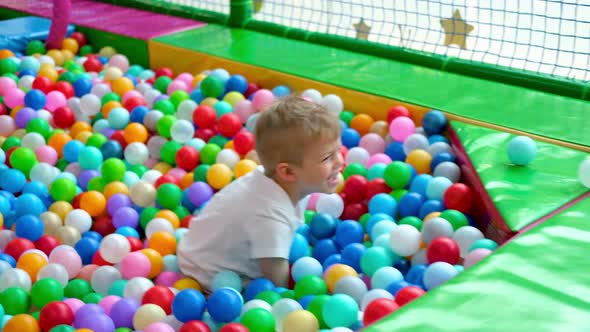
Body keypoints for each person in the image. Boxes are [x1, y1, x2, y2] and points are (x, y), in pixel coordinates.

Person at [177, 94, 344, 293]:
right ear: (288, 171)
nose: (340, 162)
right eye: (327, 158)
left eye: (338, 151)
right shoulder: (269, 217)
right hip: (206, 275)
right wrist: (288, 297)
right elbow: (275, 279)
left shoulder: (279, 181)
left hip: (197, 248)